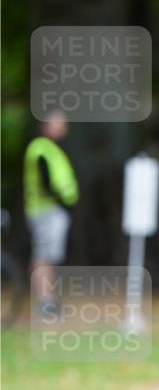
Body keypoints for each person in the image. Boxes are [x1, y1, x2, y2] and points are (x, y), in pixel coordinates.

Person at [23, 109, 79, 316]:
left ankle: (47, 299)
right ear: (47, 125)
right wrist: (61, 200)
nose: (64, 126)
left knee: (46, 256)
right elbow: (45, 180)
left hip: (50, 210)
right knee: (43, 256)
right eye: (59, 122)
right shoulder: (41, 148)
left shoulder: (51, 148)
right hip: (45, 210)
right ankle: (44, 300)